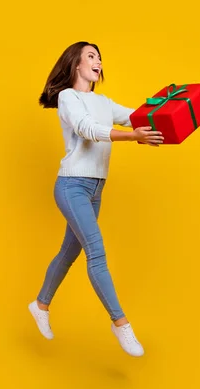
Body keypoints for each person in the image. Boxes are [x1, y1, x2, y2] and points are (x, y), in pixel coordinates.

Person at [28, 41, 163, 357]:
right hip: (72, 186)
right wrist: (132, 137)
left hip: (95, 190)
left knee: (68, 252)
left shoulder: (103, 101)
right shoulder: (68, 97)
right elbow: (88, 129)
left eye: (100, 57)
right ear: (76, 63)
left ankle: (40, 304)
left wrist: (169, 108)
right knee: (96, 252)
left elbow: (136, 116)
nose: (98, 60)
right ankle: (121, 324)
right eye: (91, 56)